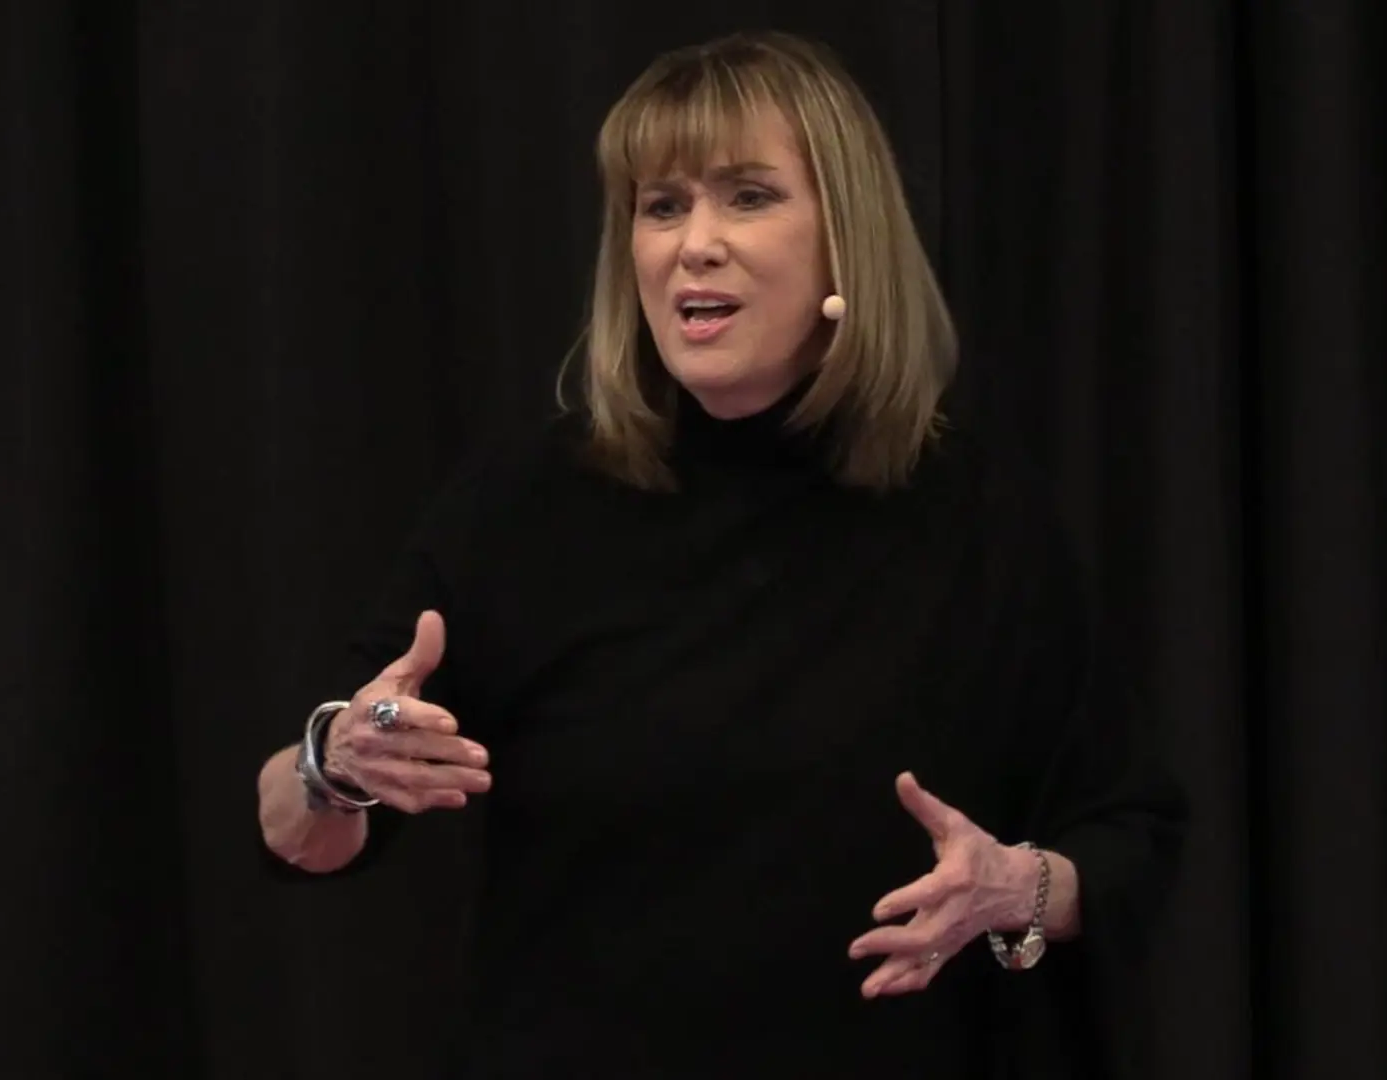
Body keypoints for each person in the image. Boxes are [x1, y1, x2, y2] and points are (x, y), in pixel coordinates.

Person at [255, 28, 1185, 1079]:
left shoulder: (977, 512)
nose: (694, 244)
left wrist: (1019, 892)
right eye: (662, 206)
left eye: (747, 196)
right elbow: (297, 831)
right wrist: (335, 764)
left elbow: (1131, 834)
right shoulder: (520, 508)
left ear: (846, 237)